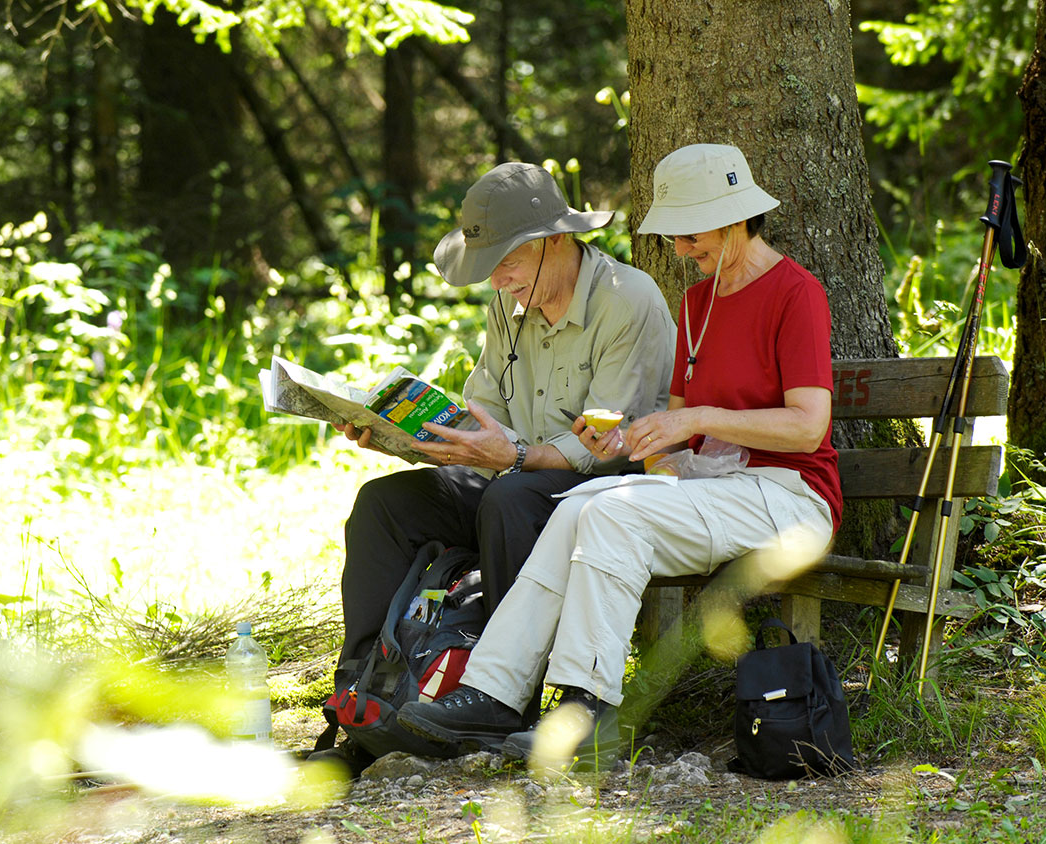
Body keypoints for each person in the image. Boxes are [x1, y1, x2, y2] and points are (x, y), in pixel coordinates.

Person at [397, 143, 843, 770]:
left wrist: (695, 419)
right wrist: (630, 447)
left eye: (690, 233)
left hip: (790, 497)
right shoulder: (698, 303)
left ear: (735, 217)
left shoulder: (796, 293)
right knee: (579, 505)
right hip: (712, 489)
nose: (680, 249)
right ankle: (494, 693)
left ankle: (587, 712)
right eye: (676, 235)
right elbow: (675, 440)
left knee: (610, 514)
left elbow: (807, 427)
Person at [316, 162, 677, 773]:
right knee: (385, 506)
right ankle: (368, 697)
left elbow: (607, 444)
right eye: (489, 266)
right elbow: (484, 417)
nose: (498, 279)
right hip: (512, 476)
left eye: (507, 261)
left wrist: (514, 457)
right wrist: (401, 436)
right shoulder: (508, 304)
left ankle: (504, 704)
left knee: (511, 501)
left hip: (603, 487)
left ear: (556, 240)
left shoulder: (626, 299)